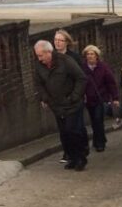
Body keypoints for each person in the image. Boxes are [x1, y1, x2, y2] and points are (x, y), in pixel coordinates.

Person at [33, 40, 88, 171]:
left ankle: (81, 158)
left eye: (41, 55)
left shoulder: (65, 61)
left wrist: (74, 97)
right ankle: (72, 158)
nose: (39, 59)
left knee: (73, 130)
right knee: (65, 133)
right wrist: (45, 98)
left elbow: (81, 78)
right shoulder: (39, 66)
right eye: (37, 56)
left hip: (72, 104)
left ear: (48, 52)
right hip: (56, 105)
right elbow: (38, 84)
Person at [53, 29, 89, 161]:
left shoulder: (74, 58)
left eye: (60, 40)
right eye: (55, 40)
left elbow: (81, 77)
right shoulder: (52, 57)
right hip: (59, 100)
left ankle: (81, 149)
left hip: (74, 98)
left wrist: (78, 95)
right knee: (63, 129)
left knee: (75, 127)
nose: (57, 43)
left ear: (67, 42)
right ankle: (68, 152)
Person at [82, 44, 119, 152]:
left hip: (101, 99)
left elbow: (111, 83)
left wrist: (115, 97)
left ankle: (100, 143)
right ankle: (98, 139)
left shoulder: (103, 68)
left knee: (99, 120)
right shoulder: (83, 68)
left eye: (92, 54)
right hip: (88, 100)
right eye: (88, 54)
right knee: (93, 121)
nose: (90, 56)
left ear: (96, 56)